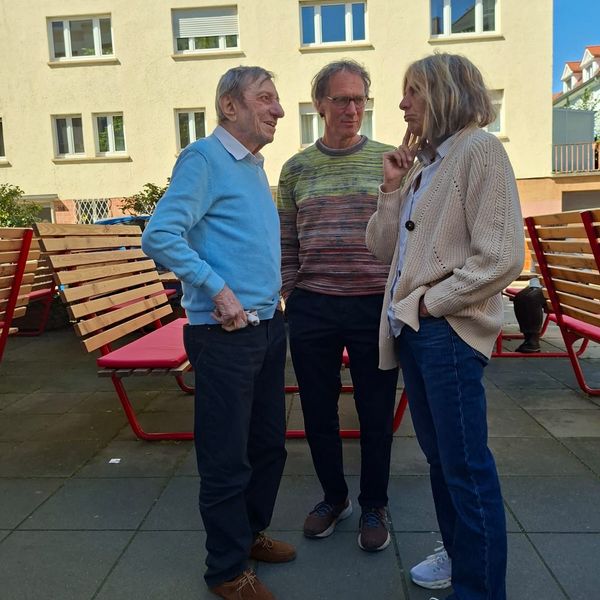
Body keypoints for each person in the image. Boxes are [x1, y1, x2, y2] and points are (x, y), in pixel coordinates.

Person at [366, 53, 524, 600]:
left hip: (446, 332)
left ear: (444, 93)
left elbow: (501, 256)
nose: (402, 104)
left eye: (413, 91)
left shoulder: (479, 149)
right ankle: (461, 558)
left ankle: (480, 589)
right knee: (442, 461)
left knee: (466, 467)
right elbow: (382, 249)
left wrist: (432, 304)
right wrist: (392, 188)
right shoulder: (424, 165)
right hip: (416, 330)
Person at [142, 66, 294, 600]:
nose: (278, 110)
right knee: (227, 457)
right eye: (266, 98)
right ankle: (226, 572)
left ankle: (249, 535)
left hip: (266, 327)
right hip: (224, 333)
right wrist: (217, 289)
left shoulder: (251, 166)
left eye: (277, 99)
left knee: (268, 445)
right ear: (230, 107)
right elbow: (159, 235)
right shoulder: (204, 159)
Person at [277, 59, 399, 552]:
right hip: (313, 306)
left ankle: (374, 503)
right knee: (317, 410)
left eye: (358, 99)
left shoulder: (390, 160)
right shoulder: (295, 168)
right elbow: (286, 240)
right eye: (341, 99)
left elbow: (406, 233)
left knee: (375, 411)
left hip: (374, 306)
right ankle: (334, 497)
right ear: (319, 105)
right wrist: (291, 293)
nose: (351, 108)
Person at [512, 277, 546, 353]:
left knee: (533, 298)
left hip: (561, 288)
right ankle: (528, 338)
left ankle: (533, 340)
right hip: (545, 284)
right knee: (520, 296)